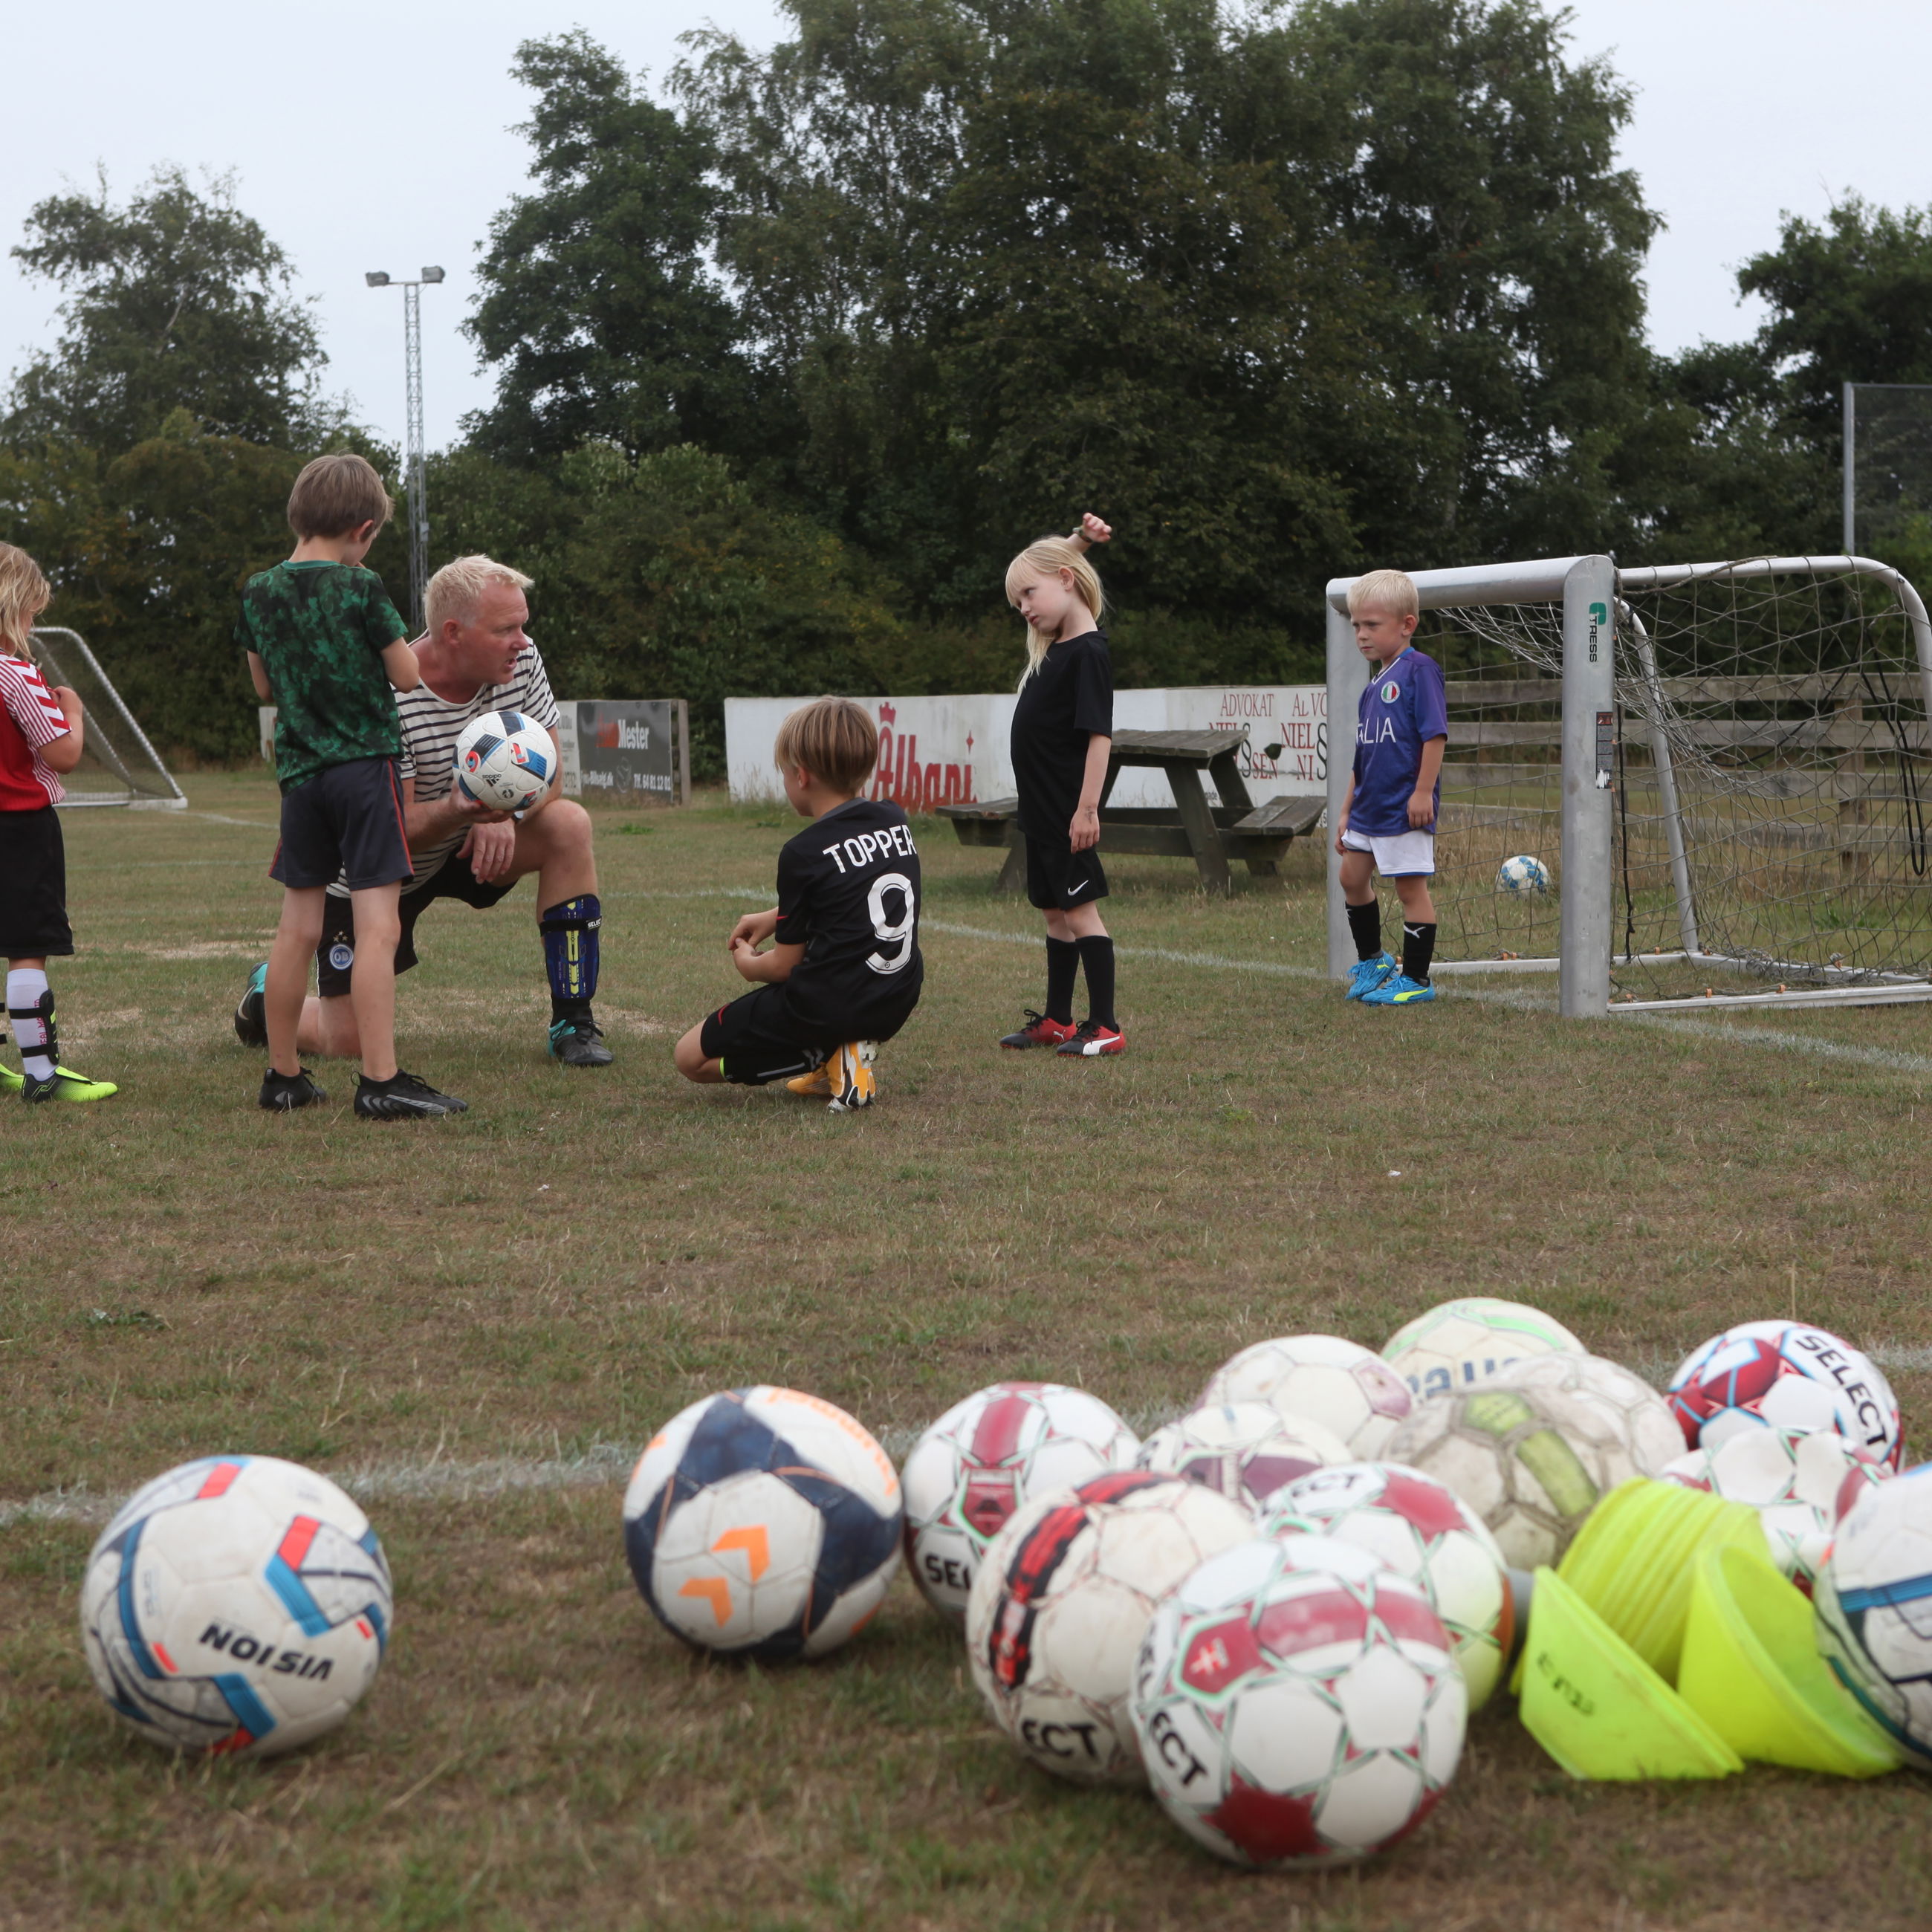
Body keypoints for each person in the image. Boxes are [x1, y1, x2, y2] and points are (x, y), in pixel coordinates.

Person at [234, 554, 612, 1069]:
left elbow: (553, 779)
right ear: (453, 632)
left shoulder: (521, 660)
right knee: (347, 1041)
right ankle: (265, 995)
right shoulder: (388, 696)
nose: (522, 641)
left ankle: (574, 1021)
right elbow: (388, 829)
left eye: (523, 625)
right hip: (378, 869)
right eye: (506, 629)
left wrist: (505, 815)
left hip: (469, 841)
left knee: (569, 824)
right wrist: (463, 810)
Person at [238, 452, 467, 1117]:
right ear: (364, 529)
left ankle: (283, 1076)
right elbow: (405, 677)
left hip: (300, 778)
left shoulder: (258, 590)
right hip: (364, 774)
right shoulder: (362, 589)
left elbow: (262, 685)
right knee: (377, 929)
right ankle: (380, 1081)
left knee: (296, 931)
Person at [672, 696, 921, 1112]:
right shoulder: (895, 818)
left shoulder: (803, 851)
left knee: (690, 1059)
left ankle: (829, 1055)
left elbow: (784, 967)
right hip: (895, 997)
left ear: (801, 776)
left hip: (830, 1004)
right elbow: (850, 893)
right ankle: (839, 1052)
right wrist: (774, 918)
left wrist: (748, 964)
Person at [996, 512, 1123, 1057]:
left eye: (1028, 595)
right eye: (1017, 601)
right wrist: (1080, 541)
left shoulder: (1089, 652)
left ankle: (1106, 1024)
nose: (1024, 608)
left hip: (1071, 810)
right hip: (1042, 810)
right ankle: (1058, 1019)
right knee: (1053, 912)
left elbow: (1099, 737)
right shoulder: (1055, 645)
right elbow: (1052, 567)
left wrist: (1087, 809)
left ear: (1066, 582)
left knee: (1079, 912)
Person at [0, 543, 117, 1104]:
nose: (33, 623)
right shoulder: (16, 673)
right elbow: (64, 754)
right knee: (27, 948)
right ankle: (41, 1073)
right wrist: (71, 709)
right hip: (20, 827)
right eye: (31, 613)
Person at [1334, 567, 1448, 1007]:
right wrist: (1347, 809)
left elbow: (1434, 736)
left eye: (1372, 625)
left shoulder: (1420, 671)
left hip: (1403, 807)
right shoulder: (1370, 689)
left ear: (1406, 625)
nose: (1361, 634)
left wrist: (1422, 792)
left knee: (1408, 890)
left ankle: (1416, 978)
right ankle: (1374, 960)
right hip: (1367, 807)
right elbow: (1362, 756)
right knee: (1351, 876)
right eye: (1357, 625)